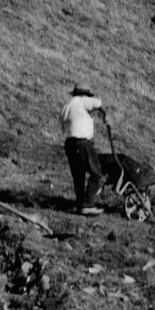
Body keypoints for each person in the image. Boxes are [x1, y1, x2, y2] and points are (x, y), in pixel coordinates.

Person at [61, 84, 107, 215]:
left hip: (70, 144)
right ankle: (88, 204)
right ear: (84, 94)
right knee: (97, 174)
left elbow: (64, 126)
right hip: (83, 143)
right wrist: (105, 115)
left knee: (78, 176)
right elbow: (98, 103)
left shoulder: (67, 106)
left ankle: (80, 204)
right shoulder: (82, 100)